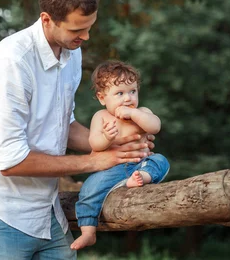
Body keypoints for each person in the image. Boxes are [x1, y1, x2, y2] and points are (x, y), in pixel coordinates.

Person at [0, 0, 151, 260]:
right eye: (77, 30)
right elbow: (11, 161)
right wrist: (95, 161)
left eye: (89, 27)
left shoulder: (71, 52)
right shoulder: (11, 63)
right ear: (47, 19)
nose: (85, 37)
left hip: (48, 211)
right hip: (2, 211)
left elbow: (64, 125)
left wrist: (116, 144)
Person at [71, 61, 170, 250]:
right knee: (89, 188)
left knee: (160, 161)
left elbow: (155, 126)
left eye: (132, 91)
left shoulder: (141, 112)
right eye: (120, 93)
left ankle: (143, 177)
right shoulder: (101, 117)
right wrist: (107, 138)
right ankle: (88, 232)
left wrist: (133, 114)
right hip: (112, 170)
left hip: (139, 164)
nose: (127, 98)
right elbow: (94, 144)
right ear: (102, 98)